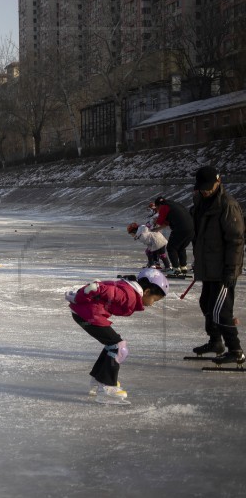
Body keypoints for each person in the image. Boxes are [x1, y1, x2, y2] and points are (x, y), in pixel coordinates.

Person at [66, 268, 168, 404]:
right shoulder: (129, 295)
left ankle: (99, 378)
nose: (152, 304)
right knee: (119, 348)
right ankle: (107, 386)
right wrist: (91, 289)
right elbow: (107, 290)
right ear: (147, 291)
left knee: (112, 344)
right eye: (154, 300)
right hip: (89, 316)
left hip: (88, 314)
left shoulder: (129, 289)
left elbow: (109, 288)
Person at [189, 165, 245, 365]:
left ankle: (236, 350)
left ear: (218, 181)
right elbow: (200, 238)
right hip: (208, 267)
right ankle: (216, 342)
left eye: (209, 187)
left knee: (221, 310)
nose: (205, 190)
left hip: (223, 269)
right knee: (206, 304)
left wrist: (231, 271)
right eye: (202, 187)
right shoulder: (200, 203)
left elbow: (236, 240)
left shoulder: (227, 205)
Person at [151, 195, 194, 275]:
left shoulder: (164, 207)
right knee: (181, 247)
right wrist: (155, 230)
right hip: (191, 229)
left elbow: (159, 222)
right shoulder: (173, 205)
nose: (157, 211)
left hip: (180, 229)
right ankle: (183, 267)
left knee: (171, 248)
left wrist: (154, 222)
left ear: (159, 205)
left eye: (157, 208)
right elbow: (166, 223)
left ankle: (175, 269)